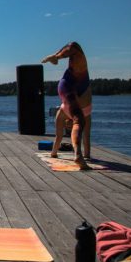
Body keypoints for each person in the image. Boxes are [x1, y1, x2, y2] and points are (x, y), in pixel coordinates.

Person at [42, 41, 92, 169]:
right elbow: (86, 136)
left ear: (67, 124)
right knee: (80, 122)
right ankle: (78, 155)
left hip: (67, 87)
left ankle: (56, 56)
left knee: (75, 48)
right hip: (72, 86)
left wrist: (53, 153)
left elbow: (58, 136)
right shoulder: (83, 114)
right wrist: (87, 154)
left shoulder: (63, 111)